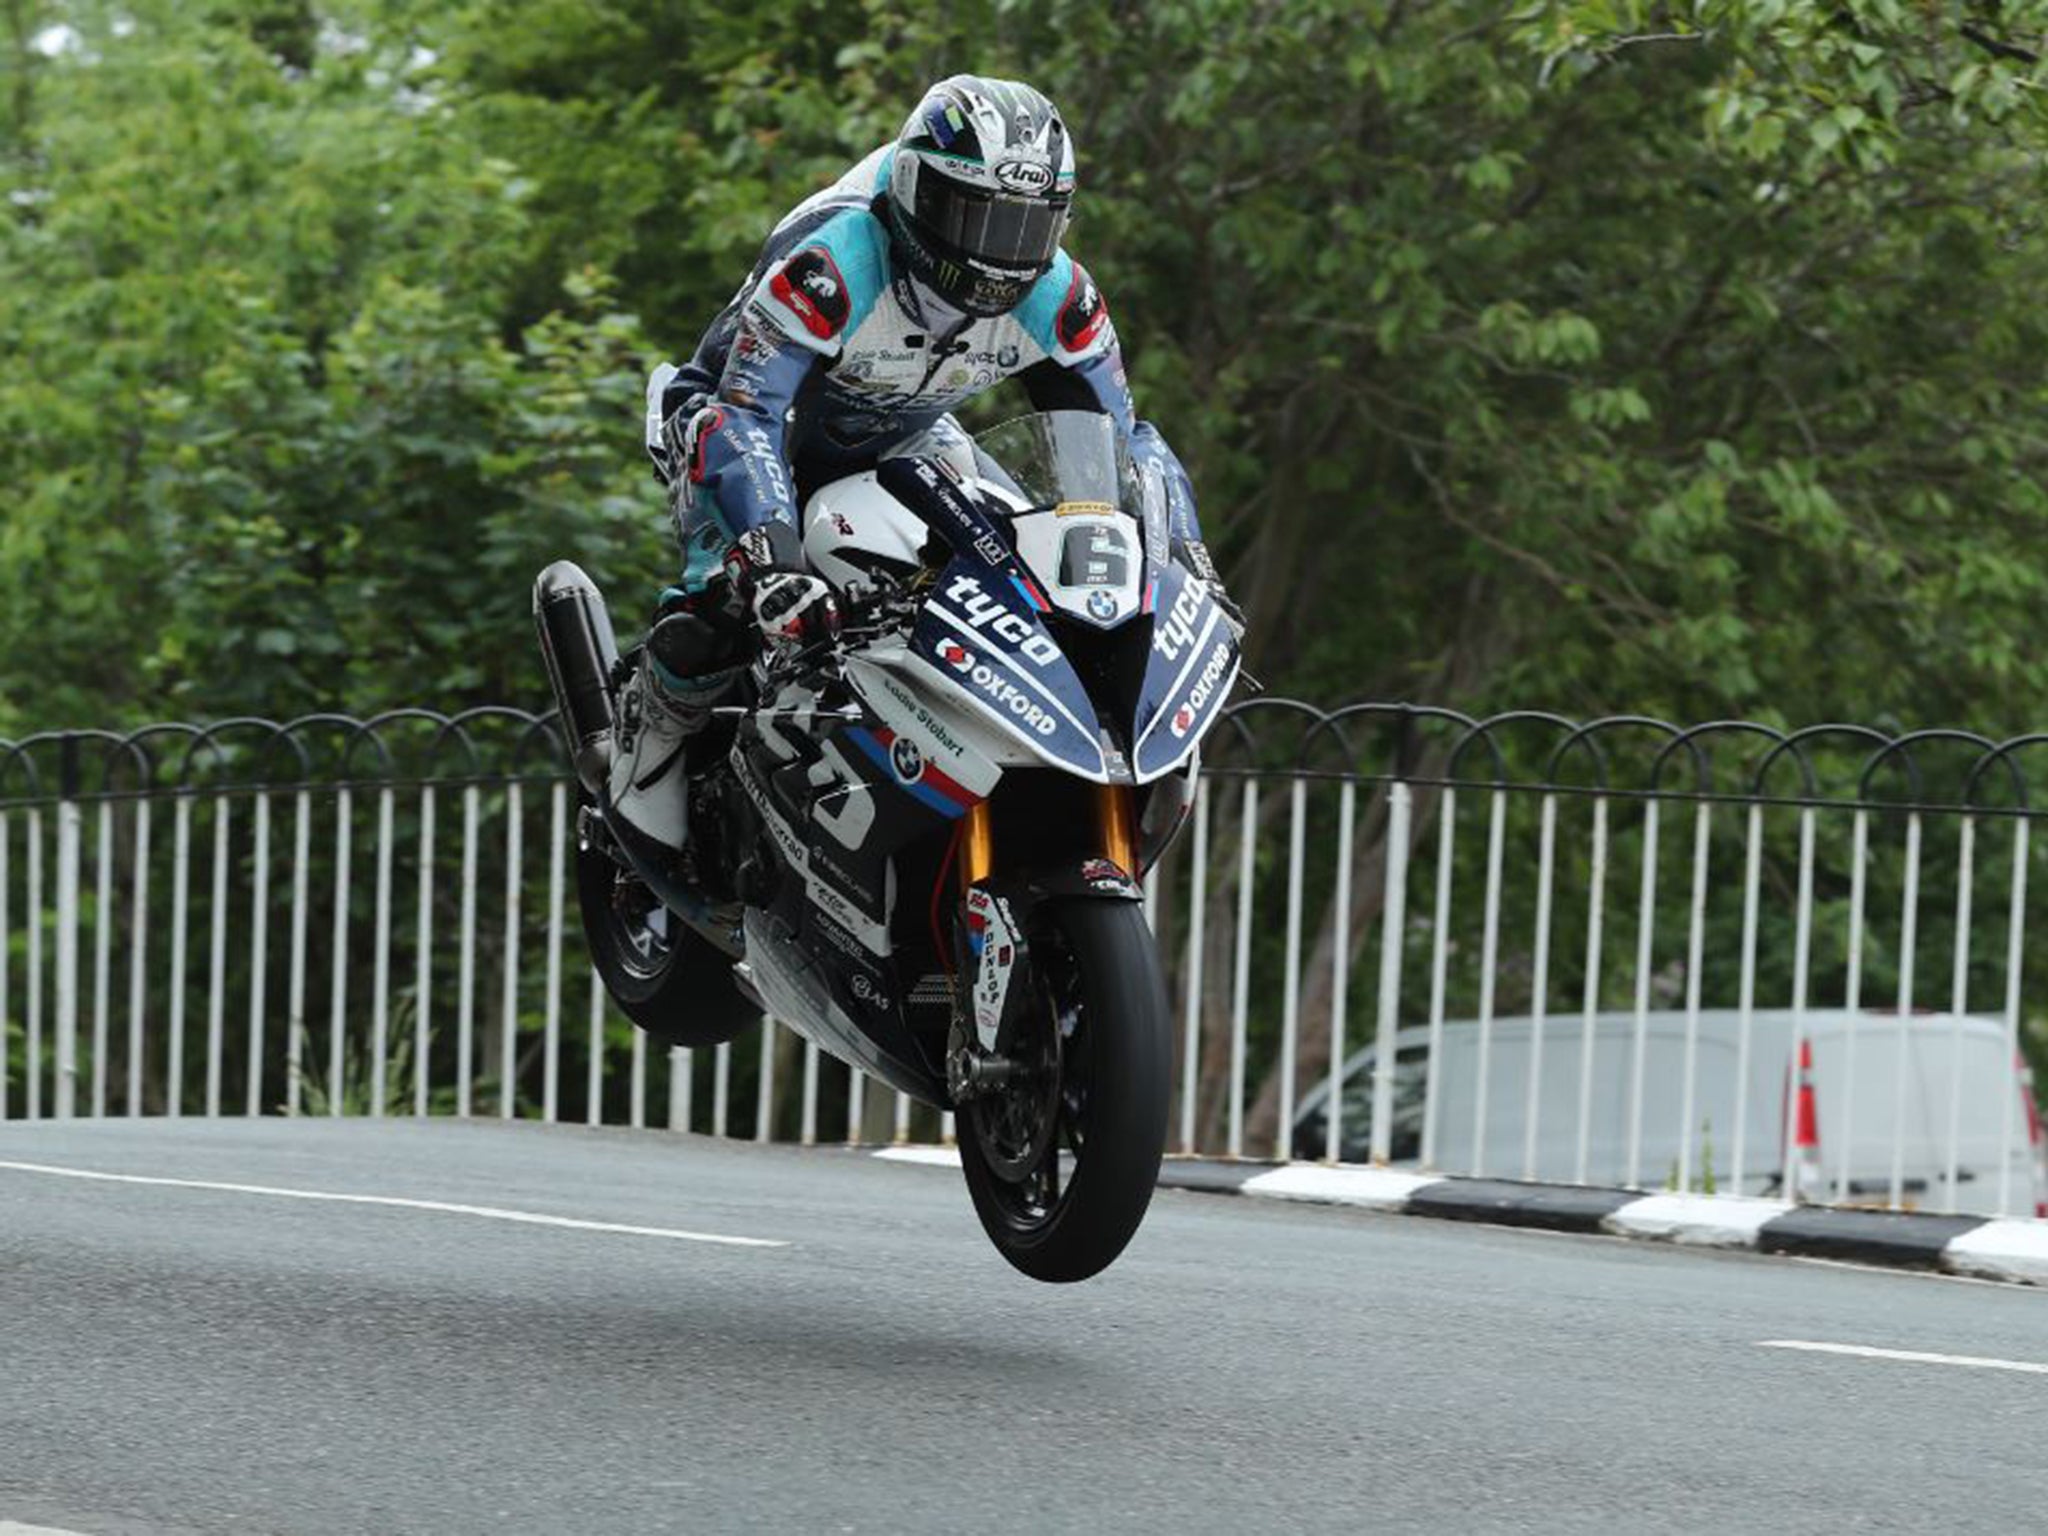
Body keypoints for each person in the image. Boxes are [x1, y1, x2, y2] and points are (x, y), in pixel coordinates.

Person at [614, 73, 1236, 850]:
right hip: (746, 424)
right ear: (915, 190)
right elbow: (748, 412)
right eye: (973, 217)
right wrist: (770, 559)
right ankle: (654, 735)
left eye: (1021, 231)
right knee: (735, 595)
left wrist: (1181, 559)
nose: (995, 257)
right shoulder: (835, 262)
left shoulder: (1062, 295)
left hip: (908, 429)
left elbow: (1122, 447)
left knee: (1020, 562)